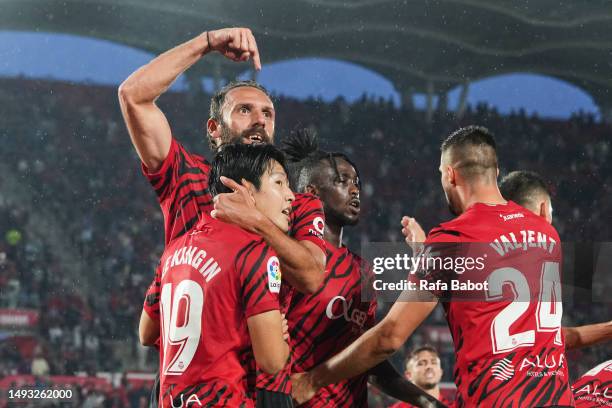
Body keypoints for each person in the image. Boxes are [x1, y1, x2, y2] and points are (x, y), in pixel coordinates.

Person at [292, 126, 575, 407]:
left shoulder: (453, 238)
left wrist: (311, 381)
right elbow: (483, 294)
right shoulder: (546, 234)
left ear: (450, 174)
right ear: (496, 171)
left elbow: (389, 337)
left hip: (498, 400)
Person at [118, 28, 327, 407]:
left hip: (265, 385)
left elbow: (312, 275)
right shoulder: (186, 175)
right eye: (244, 110)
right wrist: (207, 42)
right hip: (185, 374)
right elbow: (133, 96)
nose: (260, 120)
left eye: (267, 113)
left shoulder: (291, 199)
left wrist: (257, 221)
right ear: (214, 129)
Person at [282, 131, 443, 407]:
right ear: (311, 193)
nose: (355, 189)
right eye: (341, 181)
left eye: (356, 182)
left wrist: (428, 403)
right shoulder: (293, 255)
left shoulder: (363, 269)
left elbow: (369, 359)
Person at [139, 143, 292, 407]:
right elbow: (272, 362)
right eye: (279, 183)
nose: (291, 196)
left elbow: (146, 333)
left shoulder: (174, 250)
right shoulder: (255, 253)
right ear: (242, 189)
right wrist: (280, 339)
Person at [499, 170, 612, 349]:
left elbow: (550, 338)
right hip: (543, 374)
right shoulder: (549, 249)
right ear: (544, 209)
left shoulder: (475, 251)